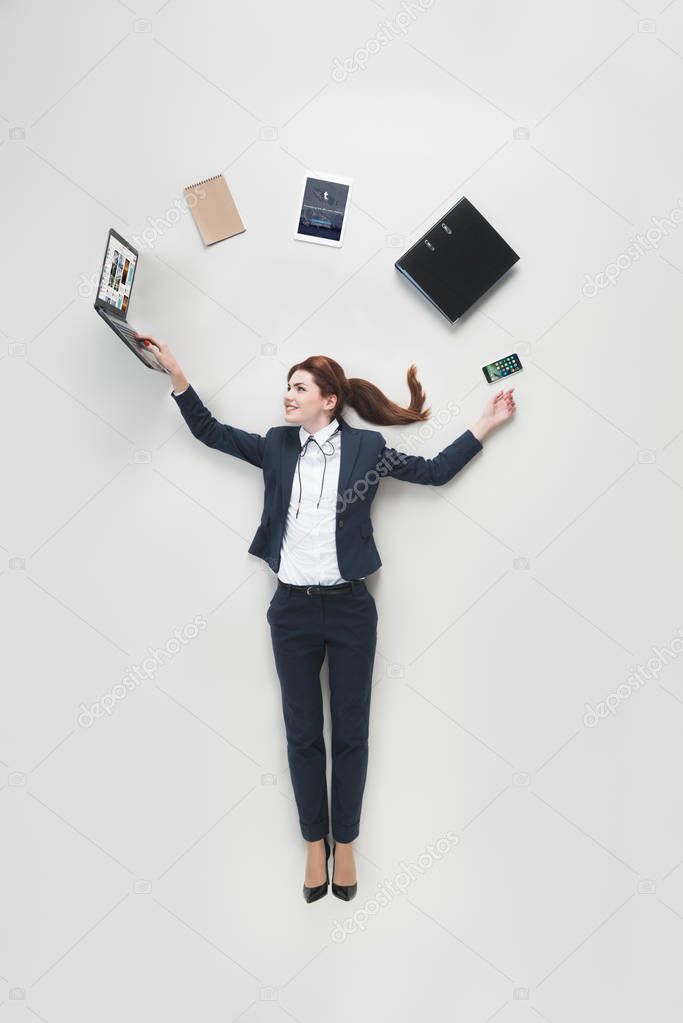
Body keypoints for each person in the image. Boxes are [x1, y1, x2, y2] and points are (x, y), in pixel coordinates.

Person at [136, 334, 516, 903]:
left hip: (350, 609)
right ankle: (315, 842)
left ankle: (347, 845)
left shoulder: (366, 449)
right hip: (290, 609)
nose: (287, 396)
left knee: (351, 733)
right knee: (302, 733)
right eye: (287, 387)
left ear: (329, 399)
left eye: (298, 388)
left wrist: (483, 424)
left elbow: (434, 472)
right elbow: (210, 432)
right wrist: (176, 373)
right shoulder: (277, 445)